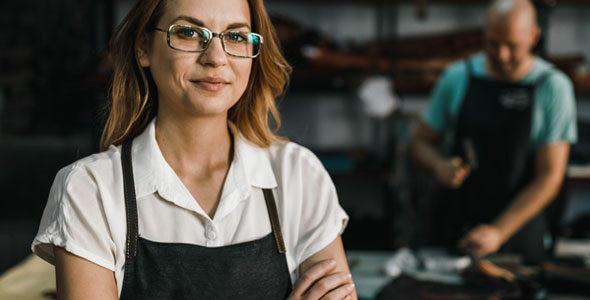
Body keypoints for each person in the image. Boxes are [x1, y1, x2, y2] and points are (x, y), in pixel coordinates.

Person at [30, 0, 356, 299]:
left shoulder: (299, 175)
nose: (216, 57)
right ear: (144, 47)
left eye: (236, 37)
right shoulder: (91, 189)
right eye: (187, 32)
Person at [409, 0, 576, 264]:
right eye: (492, 43)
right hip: (456, 224)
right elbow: (419, 143)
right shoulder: (457, 77)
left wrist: (499, 231)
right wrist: (438, 165)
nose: (501, 55)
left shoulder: (553, 87)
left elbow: (550, 177)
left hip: (520, 232)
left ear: (534, 36)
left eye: (512, 46)